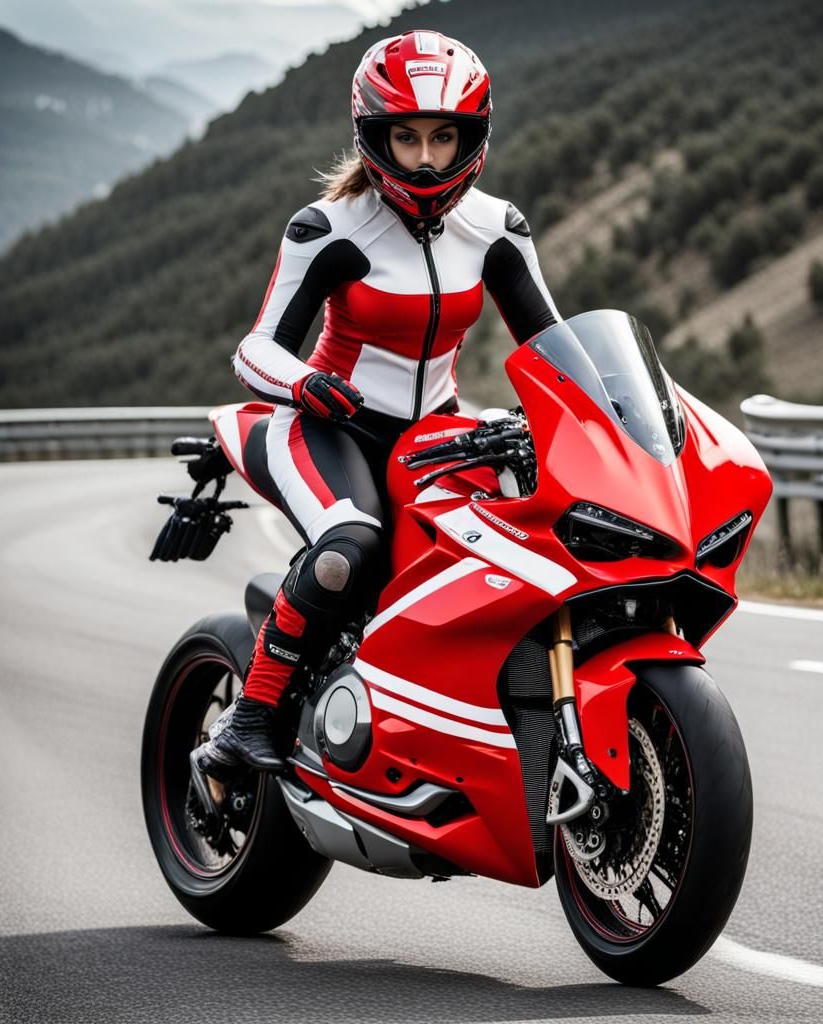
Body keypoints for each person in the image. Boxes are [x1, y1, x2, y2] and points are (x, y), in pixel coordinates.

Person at [203, 29, 561, 773]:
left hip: (434, 430)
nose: (426, 156)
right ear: (375, 136)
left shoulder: (498, 229)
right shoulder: (328, 229)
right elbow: (257, 347)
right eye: (406, 137)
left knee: (514, 543)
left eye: (442, 135)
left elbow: (558, 347)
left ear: (473, 136)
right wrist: (304, 383)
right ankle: (251, 717)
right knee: (349, 550)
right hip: (330, 425)